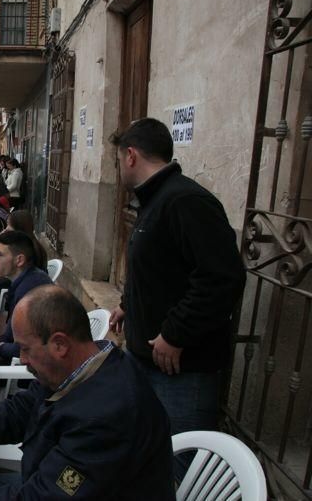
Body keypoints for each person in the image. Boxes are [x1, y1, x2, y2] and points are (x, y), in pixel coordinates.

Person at [0, 285, 175, 500]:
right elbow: (21, 409)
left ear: (60, 344)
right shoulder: (80, 367)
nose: (23, 360)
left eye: (26, 349)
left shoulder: (107, 418)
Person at [109, 117, 246, 438]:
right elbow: (158, 267)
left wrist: (175, 334)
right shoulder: (154, 200)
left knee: (179, 468)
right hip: (147, 361)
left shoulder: (185, 201)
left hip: (182, 373)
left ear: (131, 156)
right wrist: (127, 304)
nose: (119, 169)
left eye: (118, 161)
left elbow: (222, 277)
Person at [0, 231, 53, 363]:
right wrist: (2, 343)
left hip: (27, 369)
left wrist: (2, 349)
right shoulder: (26, 279)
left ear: (19, 260)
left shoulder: (30, 292)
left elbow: (35, 349)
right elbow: (10, 329)